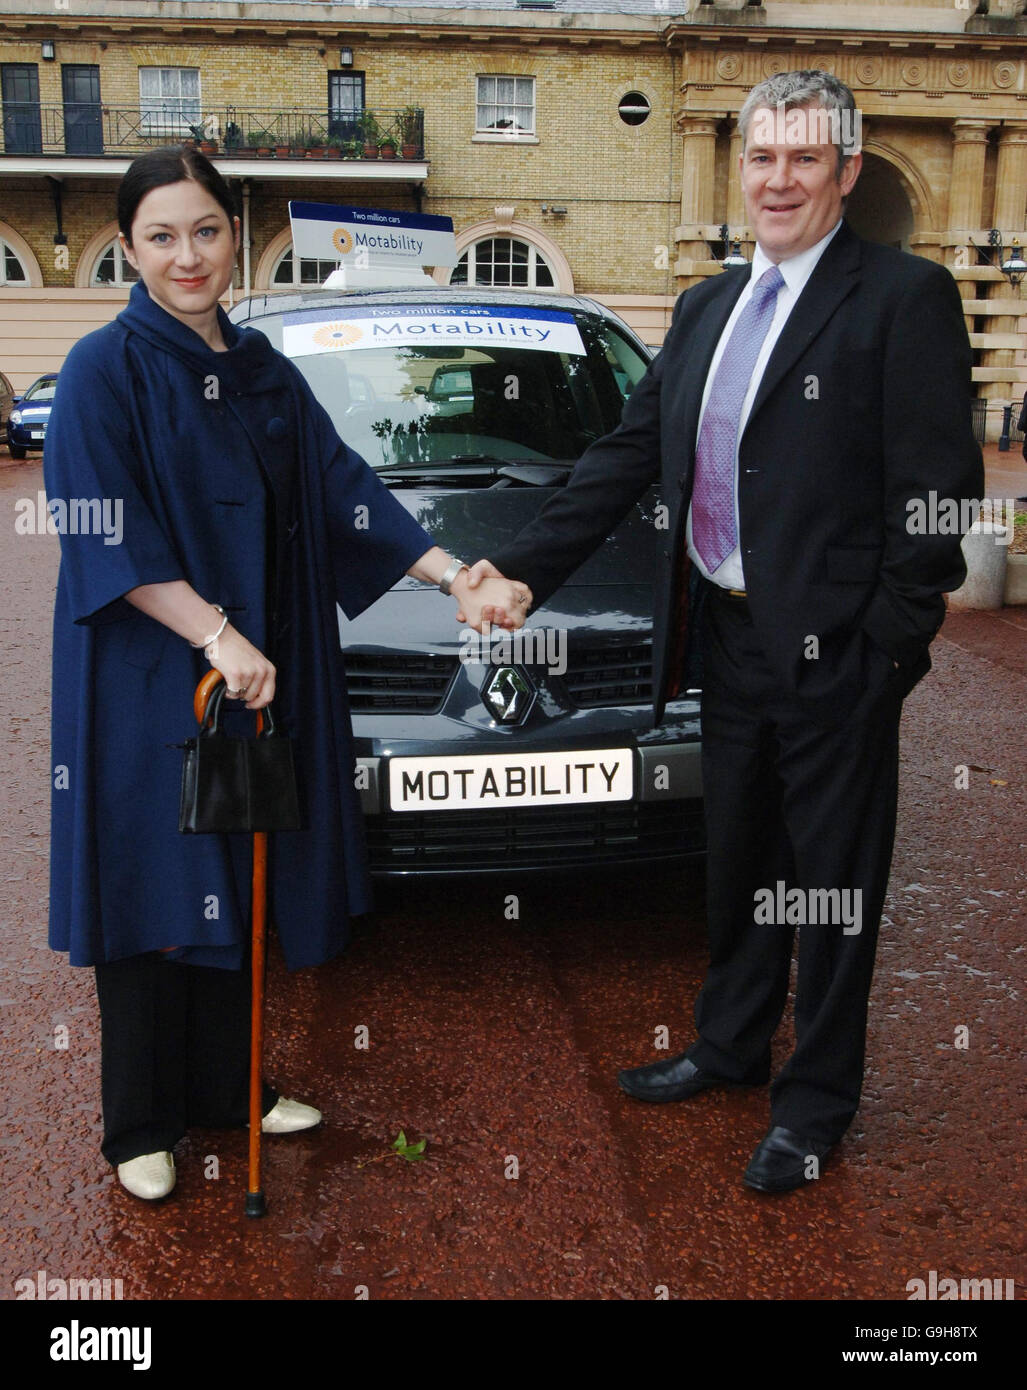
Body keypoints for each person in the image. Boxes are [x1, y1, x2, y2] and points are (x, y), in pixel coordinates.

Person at [471, 70, 983, 1192]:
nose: (779, 178)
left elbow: (938, 497)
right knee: (740, 859)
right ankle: (732, 1042)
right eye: (762, 157)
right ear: (736, 167)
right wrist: (520, 570)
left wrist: (886, 652)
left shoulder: (901, 298)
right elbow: (625, 452)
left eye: (805, 158)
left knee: (832, 887)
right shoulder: (706, 304)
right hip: (727, 639)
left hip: (838, 654)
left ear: (846, 171)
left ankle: (813, 1108)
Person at [44, 146, 531, 1201]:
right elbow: (105, 531)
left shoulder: (263, 366)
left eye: (207, 230)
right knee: (154, 881)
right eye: (162, 236)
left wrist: (455, 574)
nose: (189, 256)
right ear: (127, 248)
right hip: (145, 672)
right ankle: (140, 1120)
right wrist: (212, 631)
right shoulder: (100, 371)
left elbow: (342, 487)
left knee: (240, 863)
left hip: (260, 666)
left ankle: (228, 1087)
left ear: (233, 234)